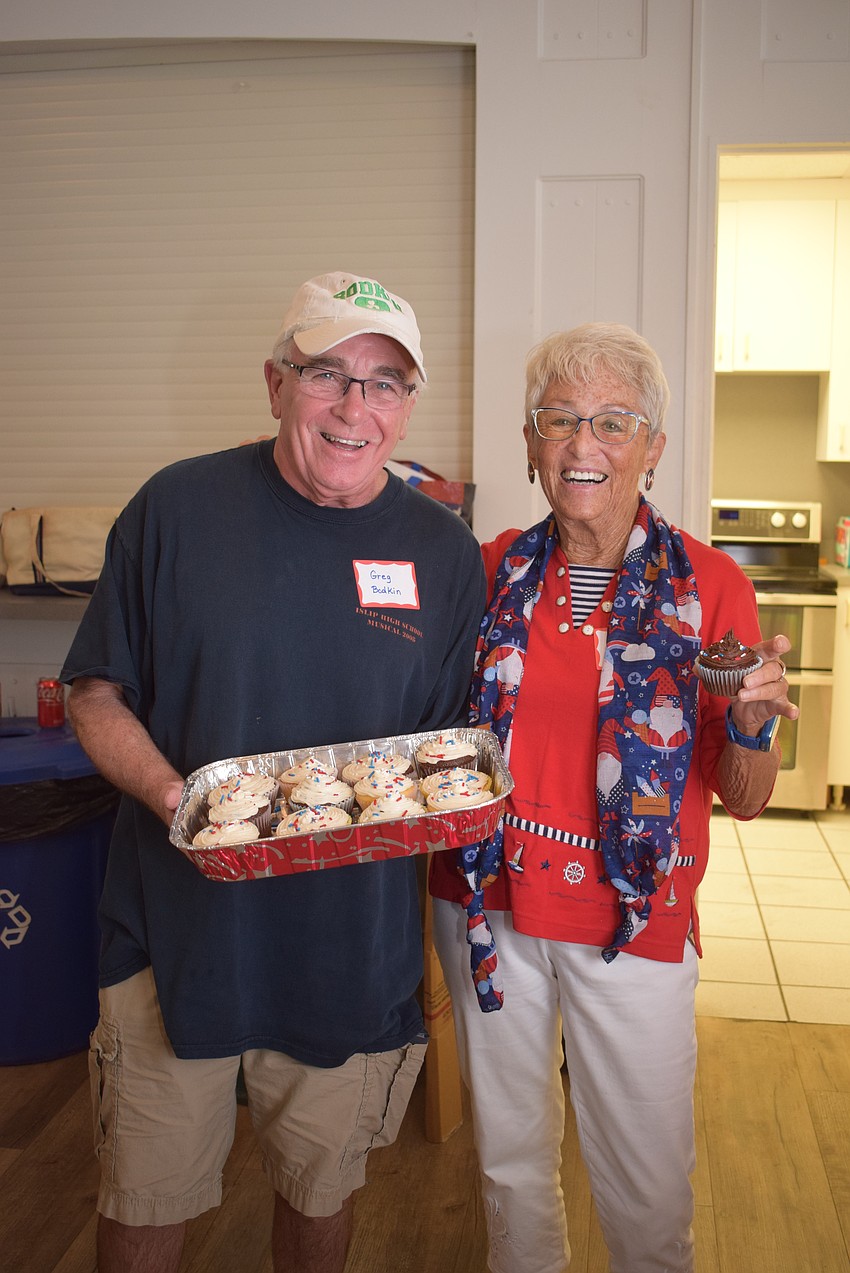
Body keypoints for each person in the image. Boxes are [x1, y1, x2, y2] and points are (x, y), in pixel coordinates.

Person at [60, 271, 486, 1273]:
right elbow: (92, 693)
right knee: (141, 1207)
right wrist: (184, 805)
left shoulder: (442, 552)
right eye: (327, 374)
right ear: (274, 381)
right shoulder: (176, 508)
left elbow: (442, 753)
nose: (353, 408)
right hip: (177, 942)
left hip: (350, 953)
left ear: (409, 404)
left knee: (321, 1198)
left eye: (384, 384)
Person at [429, 321, 797, 1273]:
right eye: (558, 419)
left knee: (645, 1189)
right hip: (488, 904)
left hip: (637, 918)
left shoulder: (709, 587)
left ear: (653, 448)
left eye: (612, 421)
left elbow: (745, 795)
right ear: (529, 443)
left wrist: (753, 725)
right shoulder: (488, 569)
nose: (581, 443)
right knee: (509, 1166)